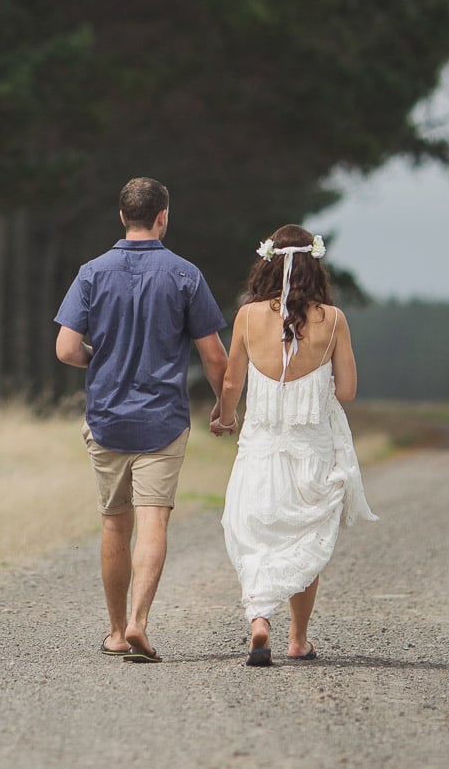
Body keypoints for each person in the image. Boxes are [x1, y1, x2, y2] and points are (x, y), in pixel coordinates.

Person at [55, 177, 230, 663]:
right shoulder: (184, 275)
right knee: (154, 522)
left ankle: (114, 631)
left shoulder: (92, 272)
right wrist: (224, 407)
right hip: (163, 419)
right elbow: (214, 356)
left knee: (115, 524)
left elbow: (67, 348)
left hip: (107, 416)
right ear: (163, 217)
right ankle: (139, 622)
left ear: (121, 216)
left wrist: (103, 358)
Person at [213, 224, 378, 666]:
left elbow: (232, 381)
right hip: (311, 447)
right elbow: (347, 391)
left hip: (261, 443)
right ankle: (297, 639)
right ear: (314, 264)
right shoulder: (334, 320)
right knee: (304, 537)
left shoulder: (247, 317)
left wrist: (225, 417)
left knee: (256, 533)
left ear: (267, 262)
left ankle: (259, 620)